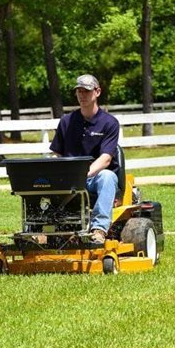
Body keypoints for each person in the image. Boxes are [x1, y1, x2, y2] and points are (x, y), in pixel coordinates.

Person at [50, 74, 120, 245]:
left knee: (107, 176)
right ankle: (45, 229)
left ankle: (99, 229)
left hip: (95, 177)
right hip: (69, 177)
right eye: (79, 91)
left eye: (86, 91)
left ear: (97, 92)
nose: (82, 95)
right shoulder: (67, 122)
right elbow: (57, 154)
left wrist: (83, 174)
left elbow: (105, 159)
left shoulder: (109, 123)